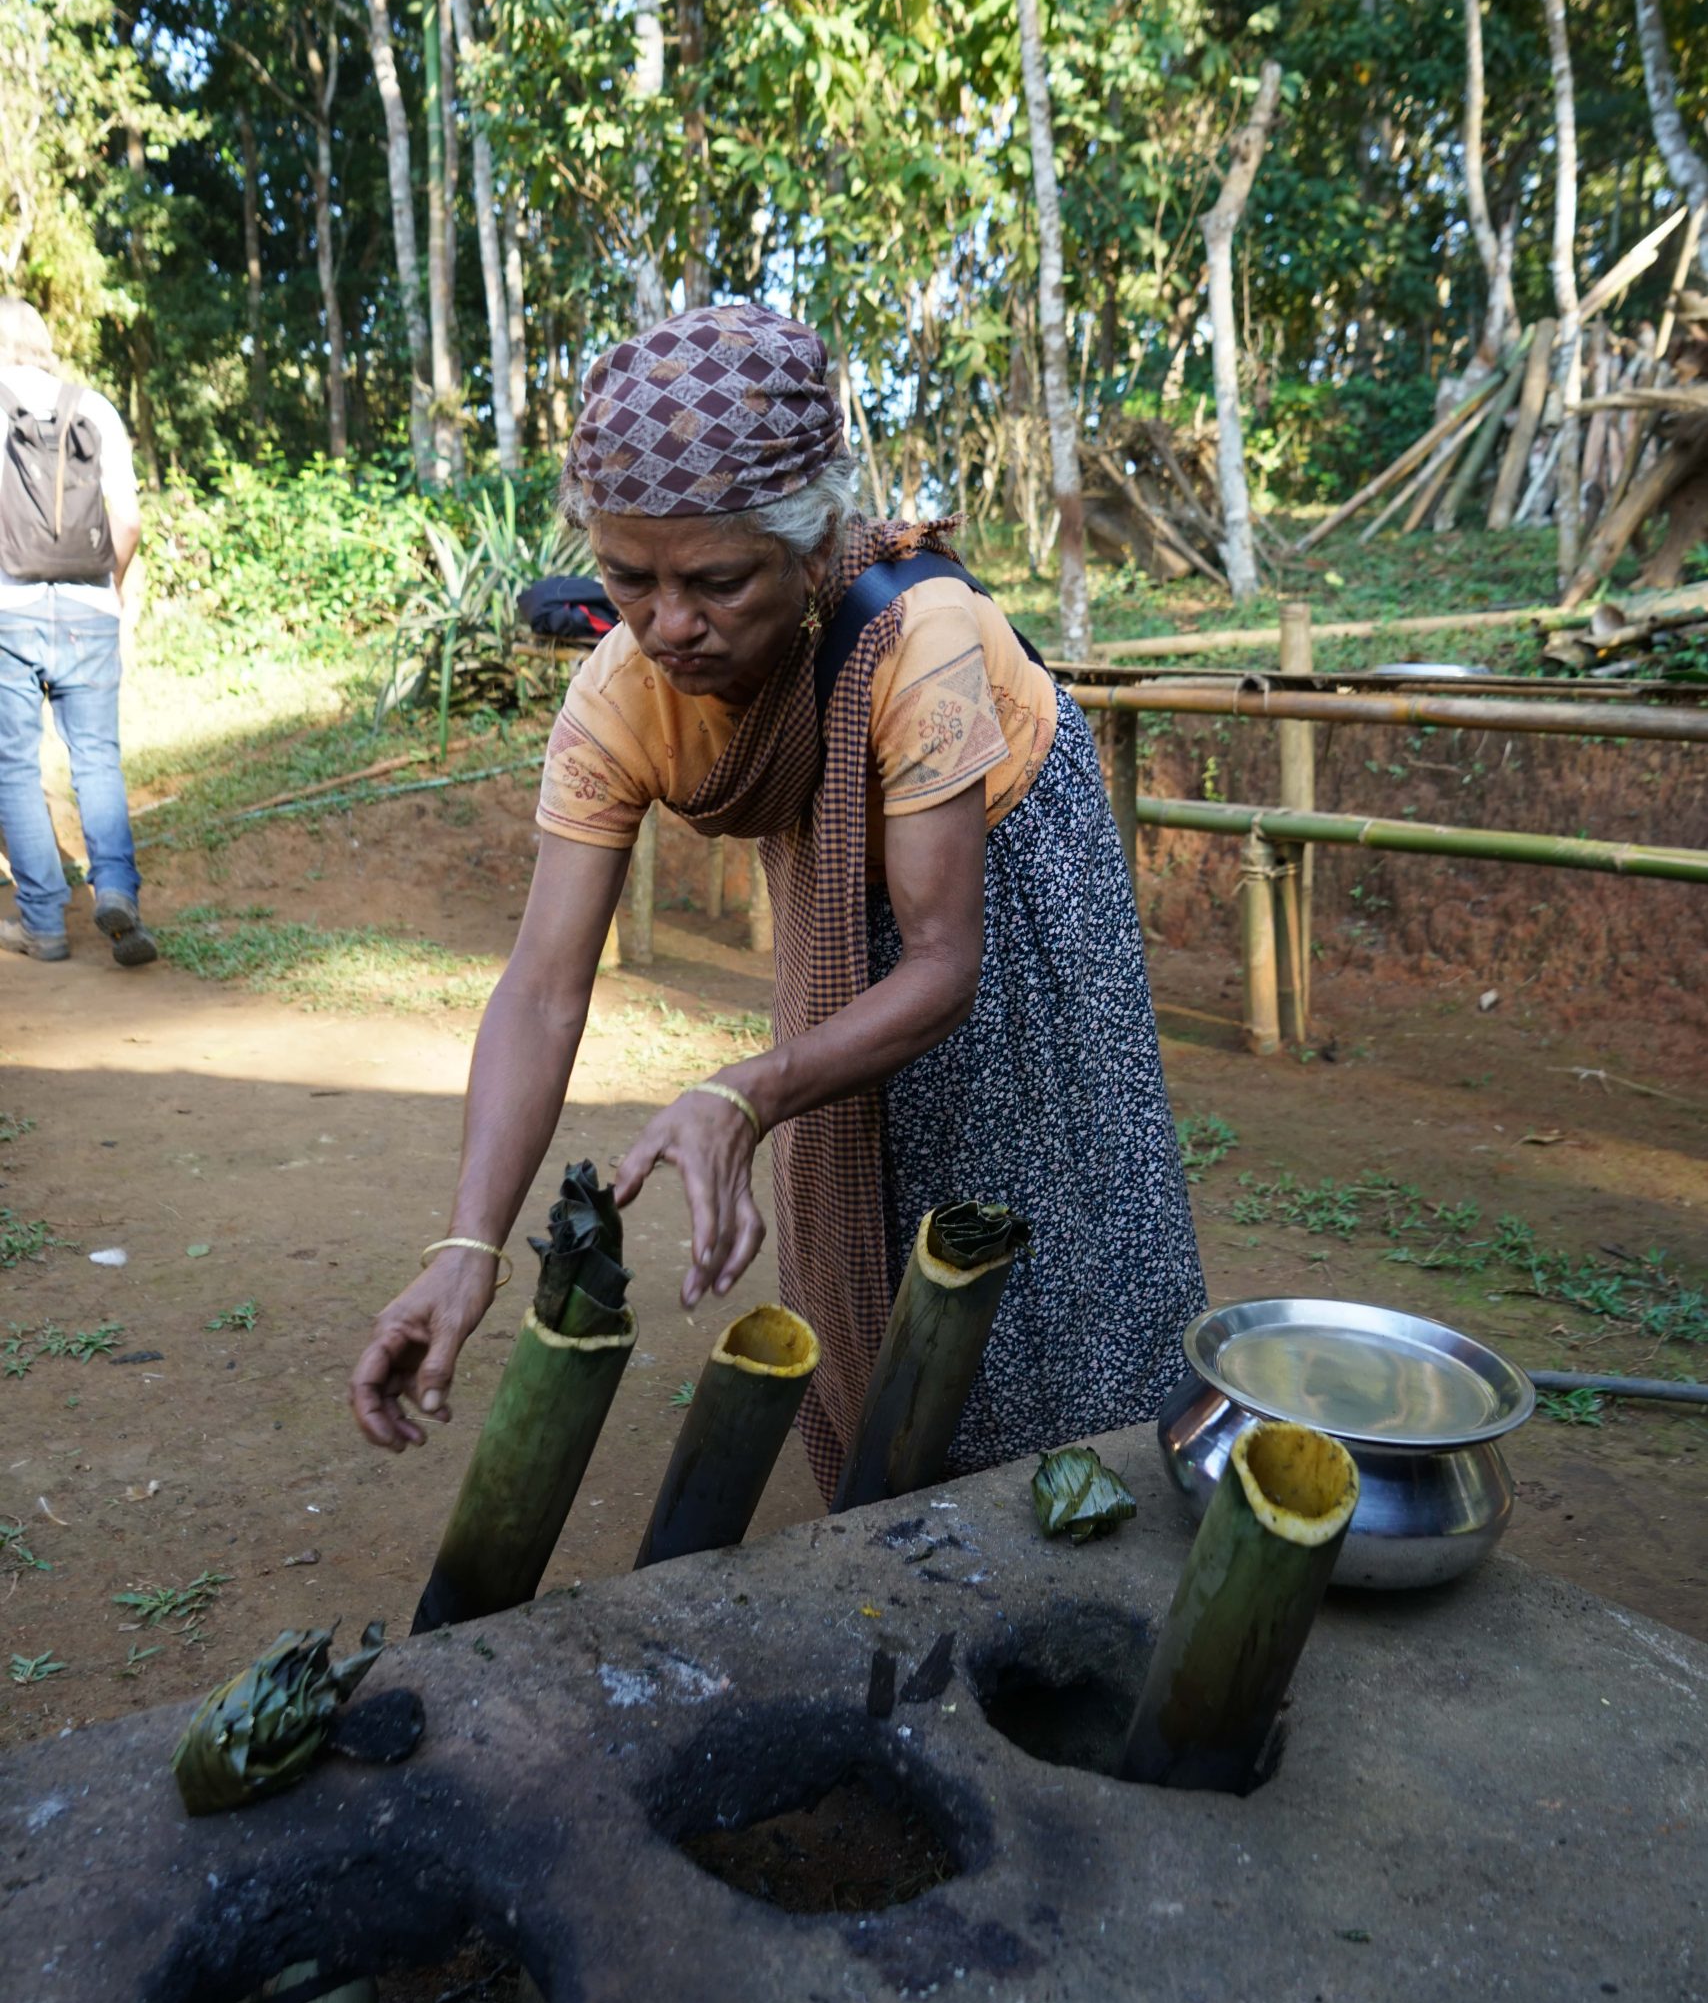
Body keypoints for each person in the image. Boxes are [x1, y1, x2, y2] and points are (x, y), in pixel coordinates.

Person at [352, 300, 1204, 1496]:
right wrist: (466, 1245)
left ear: (810, 555)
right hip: (862, 909)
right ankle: (913, 1496)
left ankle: (1092, 1480)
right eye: (628, 580)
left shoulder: (921, 640)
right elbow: (543, 990)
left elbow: (942, 964)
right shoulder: (618, 696)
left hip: (1005, 878)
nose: (670, 626)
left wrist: (744, 1090)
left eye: (715, 581)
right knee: (872, 1206)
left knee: (1037, 1209)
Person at [0, 298, 155, 967]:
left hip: (8, 607)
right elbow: (128, 524)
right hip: (91, 609)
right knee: (97, 758)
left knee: (13, 762)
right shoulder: (96, 407)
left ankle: (42, 922)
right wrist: (108, 591)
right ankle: (116, 889)